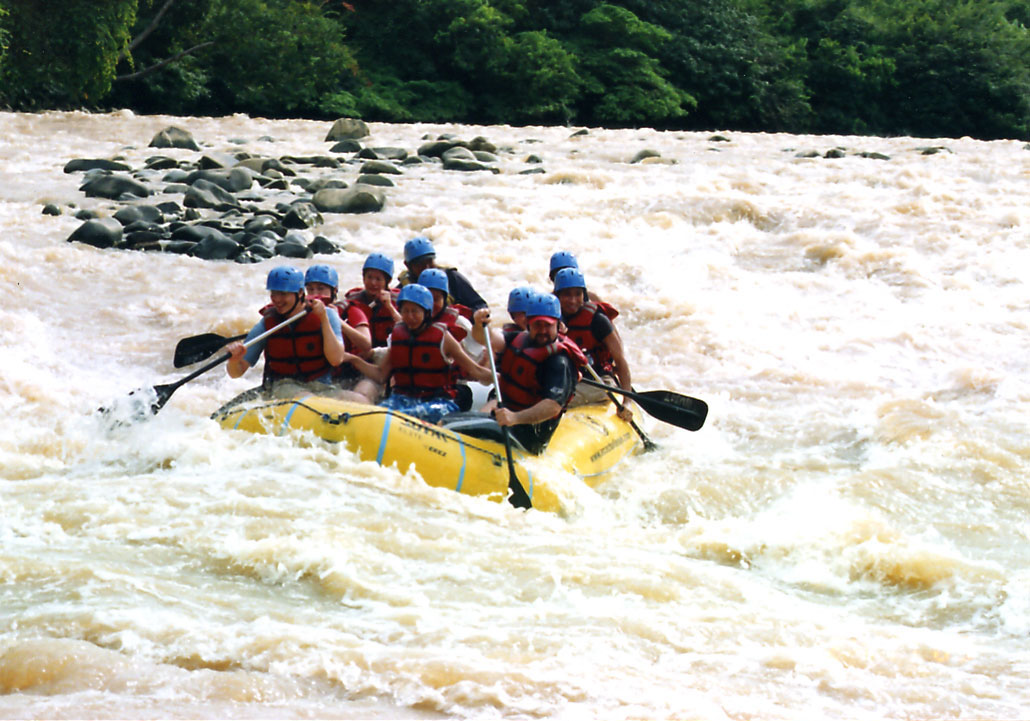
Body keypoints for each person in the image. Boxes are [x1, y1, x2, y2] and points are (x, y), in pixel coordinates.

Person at [341, 284, 494, 423]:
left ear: (426, 313)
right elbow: (381, 374)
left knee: (410, 415)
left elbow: (474, 370)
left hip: (437, 401)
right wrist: (354, 359)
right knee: (377, 415)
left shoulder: (443, 337)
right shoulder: (397, 334)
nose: (410, 317)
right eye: (405, 311)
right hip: (403, 398)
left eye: (415, 311)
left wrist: (498, 378)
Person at [484, 293, 589, 454]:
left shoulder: (559, 362)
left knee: (460, 426)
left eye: (548, 326)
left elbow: (553, 406)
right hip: (506, 420)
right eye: (537, 325)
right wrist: (480, 325)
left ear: (558, 325)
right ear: (528, 325)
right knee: (452, 422)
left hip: (530, 434)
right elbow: (488, 338)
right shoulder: (520, 339)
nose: (542, 331)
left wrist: (514, 418)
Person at [226, 266, 346, 398]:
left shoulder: (326, 314)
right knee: (306, 397)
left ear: (300, 293)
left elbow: (336, 359)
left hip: (321, 386)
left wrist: (323, 318)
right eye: (274, 293)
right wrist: (234, 360)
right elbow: (236, 373)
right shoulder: (267, 323)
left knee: (359, 399)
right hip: (283, 386)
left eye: (283, 294)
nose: (277, 299)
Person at [552, 267, 634, 420]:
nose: (573, 300)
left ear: (584, 295)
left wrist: (627, 401)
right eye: (567, 295)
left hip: (600, 382)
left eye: (578, 294)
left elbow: (620, 360)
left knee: (552, 400)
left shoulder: (597, 320)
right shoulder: (550, 320)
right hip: (569, 380)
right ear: (557, 296)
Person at [396, 236, 487, 313]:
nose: (427, 268)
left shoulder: (452, 278)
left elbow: (479, 305)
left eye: (430, 262)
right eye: (420, 264)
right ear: (408, 266)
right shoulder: (404, 290)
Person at [343, 253, 401, 349]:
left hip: (388, 352)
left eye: (378, 279)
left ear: (388, 281)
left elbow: (408, 327)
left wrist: (390, 307)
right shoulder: (353, 299)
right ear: (363, 278)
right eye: (369, 277)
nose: (373, 283)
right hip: (363, 351)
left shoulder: (398, 299)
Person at [547, 250, 620, 322]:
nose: (566, 276)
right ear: (552, 278)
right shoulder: (548, 303)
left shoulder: (592, 298)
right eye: (559, 273)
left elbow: (609, 324)